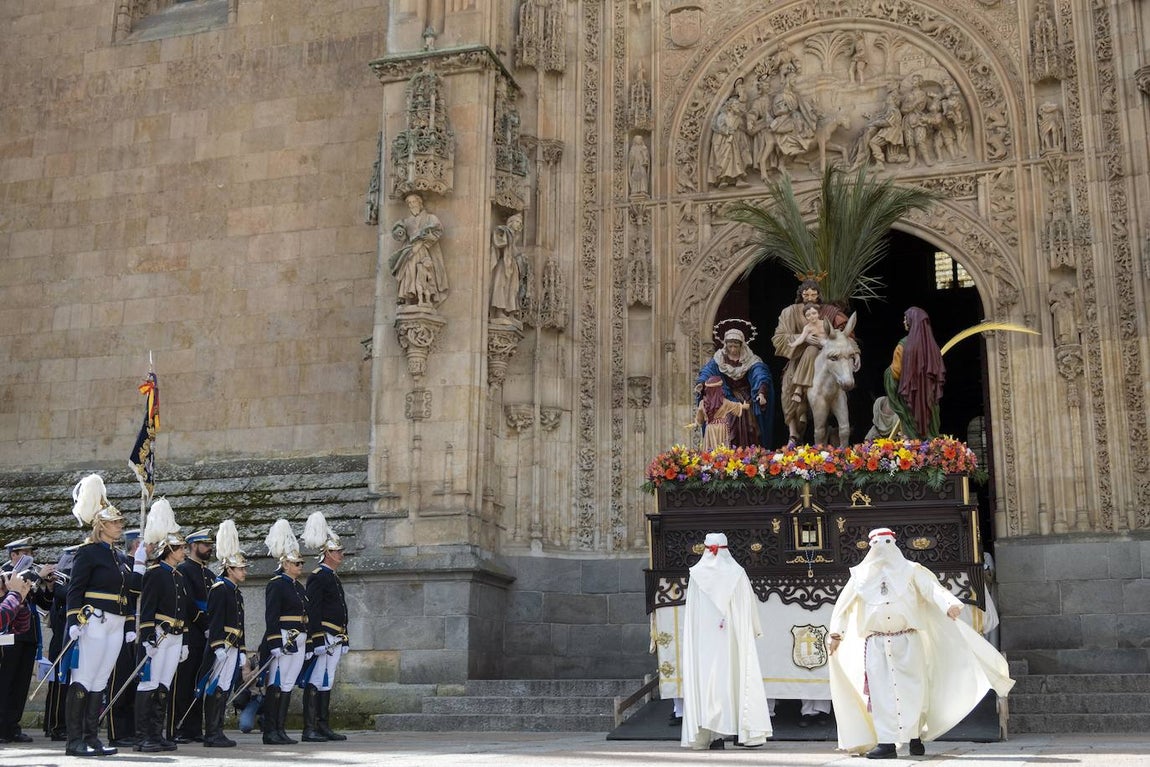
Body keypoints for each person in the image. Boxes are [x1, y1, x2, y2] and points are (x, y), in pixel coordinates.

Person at [827, 528, 1013, 759]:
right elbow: (843, 607)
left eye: (886, 542)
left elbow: (933, 589)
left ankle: (914, 736)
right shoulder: (859, 576)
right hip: (876, 643)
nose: (882, 547)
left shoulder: (912, 570)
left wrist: (949, 604)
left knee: (913, 690)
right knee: (881, 693)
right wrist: (836, 634)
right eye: (877, 543)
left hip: (907, 639)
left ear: (894, 543)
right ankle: (886, 743)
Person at [64, 474, 146, 757]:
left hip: (116, 622)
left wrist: (141, 565)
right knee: (84, 677)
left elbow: (132, 592)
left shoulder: (121, 558)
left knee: (100, 681)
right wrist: (73, 620)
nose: (119, 526)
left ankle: (92, 737)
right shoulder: (88, 553)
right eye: (114, 523)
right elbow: (76, 588)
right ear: (101, 526)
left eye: (119, 523)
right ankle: (74, 740)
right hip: (94, 619)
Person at [680, 533, 771, 750]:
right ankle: (746, 733)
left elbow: (691, 613)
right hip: (734, 638)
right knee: (739, 678)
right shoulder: (737, 573)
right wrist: (754, 630)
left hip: (706, 641)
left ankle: (712, 736)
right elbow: (749, 605)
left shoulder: (696, 575)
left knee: (710, 682)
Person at [135, 499, 188, 753]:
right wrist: (147, 635)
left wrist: (184, 640)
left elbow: (183, 611)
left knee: (164, 685)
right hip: (158, 634)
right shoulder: (155, 572)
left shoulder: (178, 576)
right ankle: (145, 735)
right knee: (150, 683)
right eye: (180, 547)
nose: (184, 551)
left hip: (175, 635)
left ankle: (158, 733)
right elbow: (147, 608)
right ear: (169, 549)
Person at [772, 281, 850, 443]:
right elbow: (779, 338)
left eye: (813, 295)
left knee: (842, 376)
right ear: (800, 295)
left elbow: (844, 334)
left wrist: (851, 351)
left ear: (818, 296)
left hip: (826, 356)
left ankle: (835, 427)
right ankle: (794, 431)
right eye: (805, 294)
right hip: (798, 357)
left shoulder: (827, 312)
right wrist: (803, 339)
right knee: (787, 384)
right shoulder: (790, 312)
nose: (809, 298)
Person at [260, 519, 311, 746]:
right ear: (285, 564)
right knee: (276, 684)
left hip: (298, 638)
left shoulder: (298, 587)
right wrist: (273, 642)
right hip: (283, 637)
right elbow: (271, 616)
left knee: (288, 684)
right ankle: (270, 730)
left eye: (300, 563)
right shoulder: (277, 584)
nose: (300, 566)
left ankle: (280, 729)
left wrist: (307, 642)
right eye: (296, 563)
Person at [301, 511, 350, 742]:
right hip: (325, 635)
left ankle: (323, 725)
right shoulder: (319, 575)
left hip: (336, 635)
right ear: (327, 553)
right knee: (315, 679)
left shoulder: (332, 576)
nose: (341, 554)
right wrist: (317, 639)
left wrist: (345, 636)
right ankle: (309, 727)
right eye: (338, 551)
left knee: (326, 681)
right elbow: (314, 610)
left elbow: (341, 609)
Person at [0, 538, 55, 743]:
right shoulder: (5, 574)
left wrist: (48, 586)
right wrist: (36, 578)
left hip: (29, 636)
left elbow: (45, 604)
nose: (30, 557)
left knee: (21, 684)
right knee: (6, 682)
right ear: (14, 555)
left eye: (31, 553)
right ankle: (2, 727)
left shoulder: (29, 575)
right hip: (10, 636)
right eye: (25, 552)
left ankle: (13, 726)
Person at [200, 520, 247, 748]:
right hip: (223, 645)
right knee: (216, 687)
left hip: (234, 645)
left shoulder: (235, 592)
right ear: (230, 569)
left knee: (225, 687)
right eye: (241, 568)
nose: (244, 571)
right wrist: (217, 645)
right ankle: (211, 732)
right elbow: (216, 619)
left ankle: (217, 730)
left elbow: (241, 624)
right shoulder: (220, 589)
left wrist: (243, 649)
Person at [694, 322, 773, 447]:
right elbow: (707, 372)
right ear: (726, 345)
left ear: (741, 346)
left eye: (736, 346)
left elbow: (760, 374)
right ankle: (727, 454)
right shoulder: (718, 359)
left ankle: (749, 452)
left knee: (750, 425)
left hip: (745, 397)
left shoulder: (751, 359)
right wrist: (701, 383)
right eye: (730, 346)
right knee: (729, 423)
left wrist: (761, 391)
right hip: (725, 396)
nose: (733, 349)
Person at [172, 528, 215, 744]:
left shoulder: (209, 575)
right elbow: (188, 602)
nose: (209, 549)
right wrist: (204, 623)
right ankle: (179, 728)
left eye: (210, 545)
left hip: (207, 635)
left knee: (200, 683)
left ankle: (195, 727)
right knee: (184, 683)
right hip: (192, 634)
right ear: (194, 546)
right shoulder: (184, 570)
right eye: (205, 545)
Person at [883, 306, 945, 439]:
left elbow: (895, 373)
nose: (904, 322)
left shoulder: (903, 346)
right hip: (930, 400)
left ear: (912, 322)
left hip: (911, 400)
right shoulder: (933, 347)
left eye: (906, 319)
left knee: (912, 433)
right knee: (931, 432)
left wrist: (887, 373)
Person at [105, 531, 141, 748]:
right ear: (135, 545)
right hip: (121, 627)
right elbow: (131, 591)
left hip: (138, 630)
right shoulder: (124, 566)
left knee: (133, 684)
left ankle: (130, 729)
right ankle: (116, 731)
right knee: (119, 681)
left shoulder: (141, 567)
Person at [389, 191, 448, 307]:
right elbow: (399, 234)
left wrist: (424, 240)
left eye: (414, 201)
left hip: (423, 250)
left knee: (423, 272)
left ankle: (427, 299)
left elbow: (437, 232)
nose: (411, 205)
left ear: (420, 203)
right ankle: (408, 298)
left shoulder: (430, 218)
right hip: (410, 251)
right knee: (409, 272)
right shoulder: (406, 221)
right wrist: (399, 232)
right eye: (409, 203)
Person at [694, 376, 750, 451]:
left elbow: (700, 418)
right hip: (722, 428)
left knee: (710, 450)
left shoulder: (702, 403)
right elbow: (738, 406)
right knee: (722, 450)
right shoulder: (725, 402)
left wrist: (697, 423)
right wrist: (745, 405)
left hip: (710, 429)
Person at [490, 213, 527, 319]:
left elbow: (514, 251)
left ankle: (510, 312)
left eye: (521, 223)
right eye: (517, 222)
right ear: (511, 222)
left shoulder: (514, 237)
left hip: (512, 265)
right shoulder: (504, 231)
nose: (519, 225)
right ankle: (499, 311)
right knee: (501, 285)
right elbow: (498, 241)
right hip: (504, 265)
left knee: (513, 288)